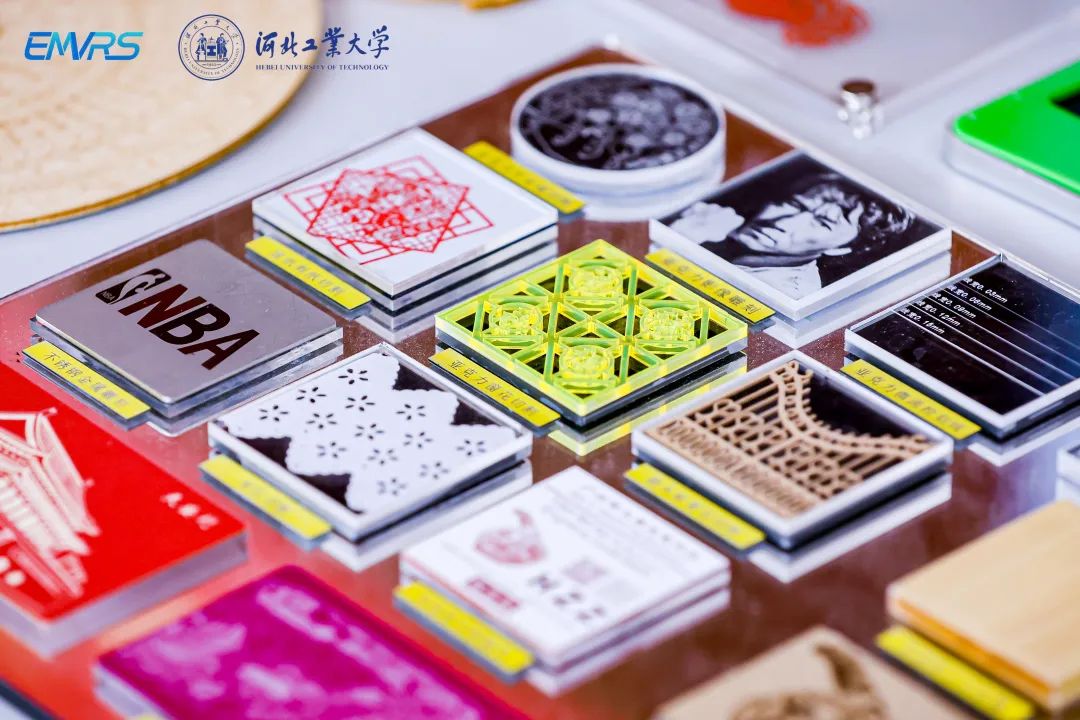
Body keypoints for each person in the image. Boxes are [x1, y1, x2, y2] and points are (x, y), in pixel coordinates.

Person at [669, 163, 915, 299]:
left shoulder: (784, 290)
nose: (785, 222)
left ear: (839, 249)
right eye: (795, 205)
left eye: (823, 223)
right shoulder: (715, 220)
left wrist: (684, 238)